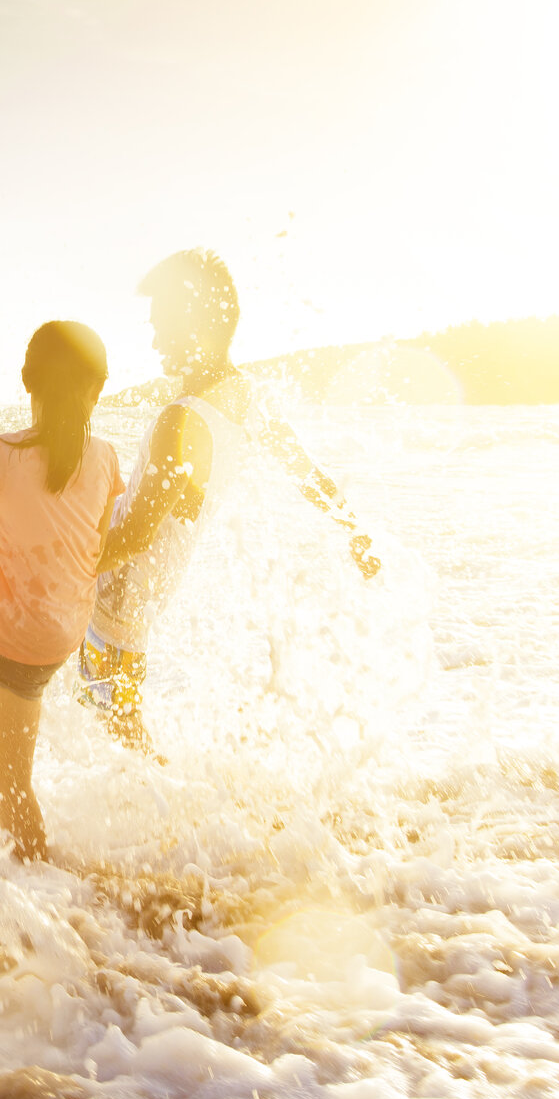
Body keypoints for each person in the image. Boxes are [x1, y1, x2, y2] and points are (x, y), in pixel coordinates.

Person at [82, 249, 380, 753]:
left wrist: (54, 566)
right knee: (121, 732)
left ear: (195, 322)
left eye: (162, 325)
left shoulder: (182, 419)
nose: (154, 340)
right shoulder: (247, 399)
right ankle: (174, 820)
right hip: (142, 598)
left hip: (115, 597)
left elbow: (135, 536)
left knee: (118, 738)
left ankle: (179, 823)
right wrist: (353, 529)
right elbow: (306, 473)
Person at [0, 322, 122, 862]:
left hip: (20, 645)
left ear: (26, 382)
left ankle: (42, 879)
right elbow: (88, 540)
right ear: (98, 389)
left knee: (7, 783)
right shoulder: (106, 457)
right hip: (65, 626)